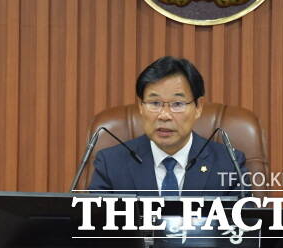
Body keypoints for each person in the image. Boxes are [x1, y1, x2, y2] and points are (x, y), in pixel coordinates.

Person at [87, 56, 249, 196]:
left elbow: (244, 221)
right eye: (154, 103)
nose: (164, 115)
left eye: (177, 104)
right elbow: (94, 221)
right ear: (141, 106)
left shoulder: (229, 164)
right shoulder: (111, 164)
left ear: (198, 107)